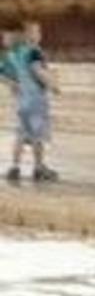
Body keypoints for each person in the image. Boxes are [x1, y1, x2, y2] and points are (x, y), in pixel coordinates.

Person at [3, 20, 58, 184]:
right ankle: (39, 168)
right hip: (36, 101)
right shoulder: (34, 52)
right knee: (37, 135)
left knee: (20, 134)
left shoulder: (13, 54)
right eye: (36, 32)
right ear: (26, 35)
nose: (38, 35)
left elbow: (3, 72)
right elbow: (37, 71)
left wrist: (12, 84)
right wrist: (52, 84)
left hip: (22, 101)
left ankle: (14, 167)